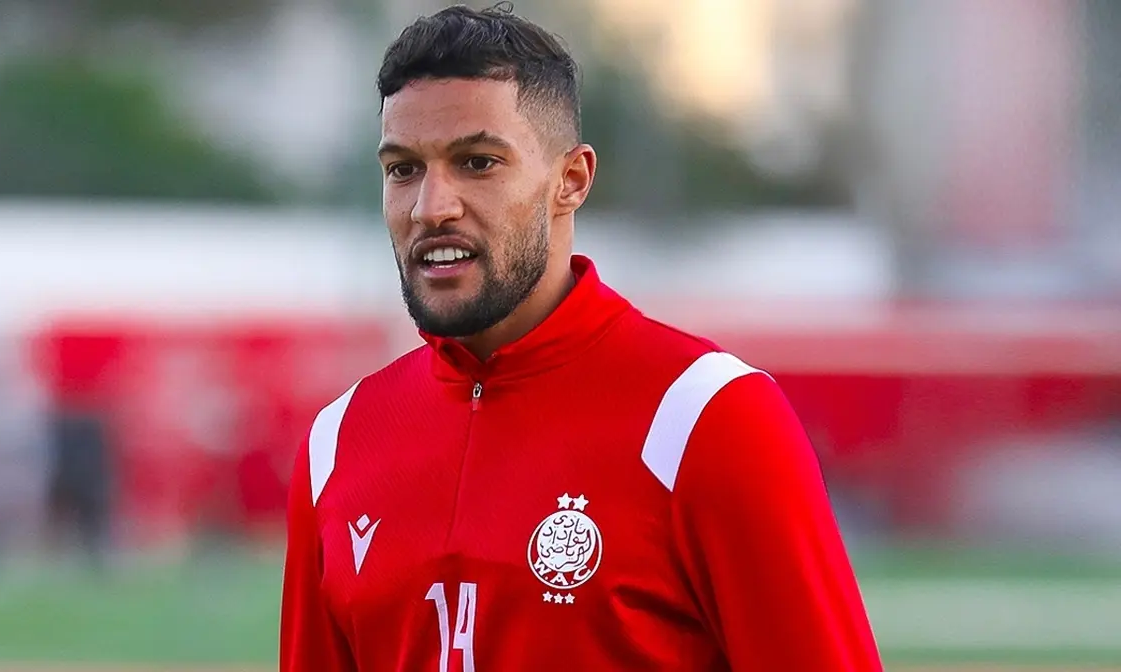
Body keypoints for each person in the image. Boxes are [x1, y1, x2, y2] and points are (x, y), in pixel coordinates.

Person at [280, 4, 882, 670]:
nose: (432, 207)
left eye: (477, 162)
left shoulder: (706, 417)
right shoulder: (338, 444)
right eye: (403, 169)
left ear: (571, 181)